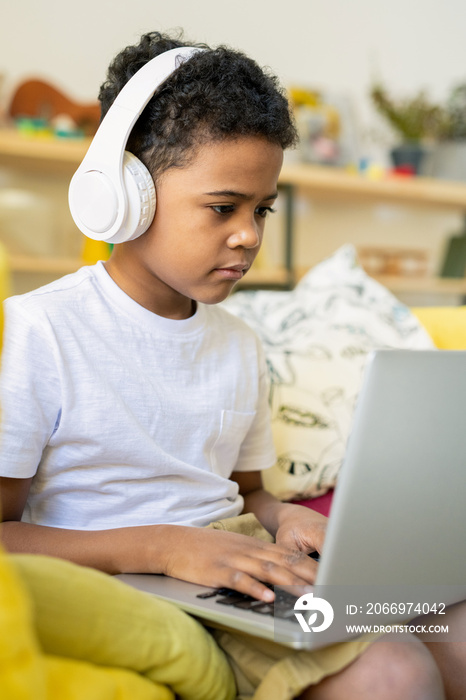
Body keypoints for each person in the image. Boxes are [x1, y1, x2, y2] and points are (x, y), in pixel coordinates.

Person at [0, 31, 463, 700]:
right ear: (123, 192)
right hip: (147, 574)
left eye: (261, 209)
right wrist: (165, 547)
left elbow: (248, 494)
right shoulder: (38, 330)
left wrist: (289, 519)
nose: (248, 234)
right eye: (223, 207)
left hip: (243, 562)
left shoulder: (239, 342)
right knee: (396, 671)